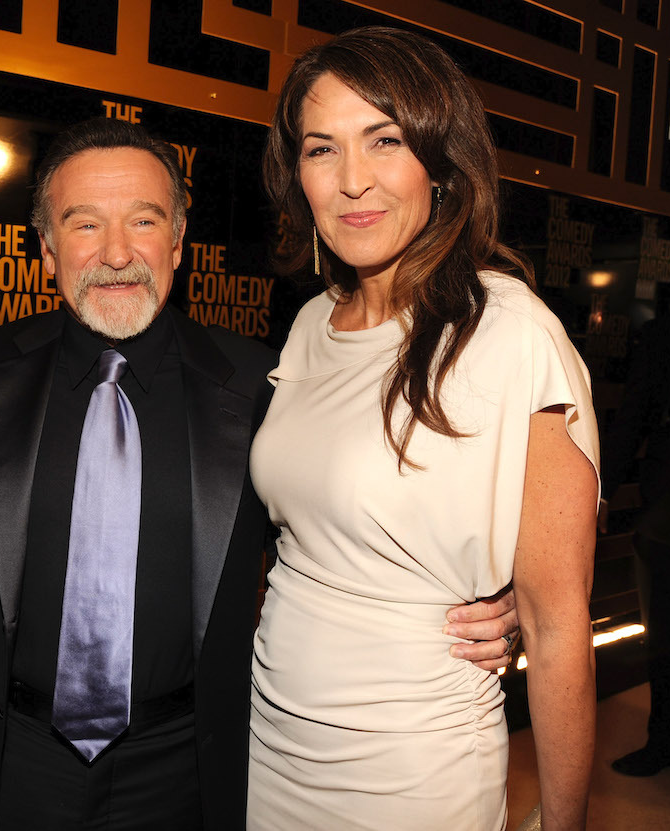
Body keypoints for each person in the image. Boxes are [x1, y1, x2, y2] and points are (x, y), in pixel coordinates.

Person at [0, 117, 519, 831]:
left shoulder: (259, 382)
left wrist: (498, 594)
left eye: (143, 221)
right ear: (47, 246)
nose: (117, 253)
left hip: (187, 768)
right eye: (85, 225)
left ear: (177, 238)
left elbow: (361, 512)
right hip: (10, 762)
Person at [248, 27, 600, 831]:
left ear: (440, 163)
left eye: (385, 140)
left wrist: (568, 820)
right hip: (272, 740)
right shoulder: (310, 323)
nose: (352, 181)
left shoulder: (508, 331)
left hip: (413, 764)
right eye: (320, 149)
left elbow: (554, 628)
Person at [600, 308, 670, 777]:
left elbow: (633, 419)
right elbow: (632, 420)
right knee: (669, 635)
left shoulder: (667, 334)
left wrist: (603, 492)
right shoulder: (669, 334)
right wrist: (601, 491)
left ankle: (669, 742)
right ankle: (668, 741)